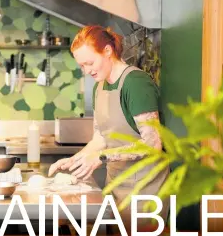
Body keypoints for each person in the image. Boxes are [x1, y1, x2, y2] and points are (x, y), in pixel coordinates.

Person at [48, 25, 169, 231]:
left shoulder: (136, 83)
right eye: (82, 66)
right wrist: (75, 160)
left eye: (90, 63)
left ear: (107, 50)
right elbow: (100, 139)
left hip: (145, 190)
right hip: (116, 186)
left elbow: (153, 143)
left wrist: (101, 157)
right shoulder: (100, 86)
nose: (87, 71)